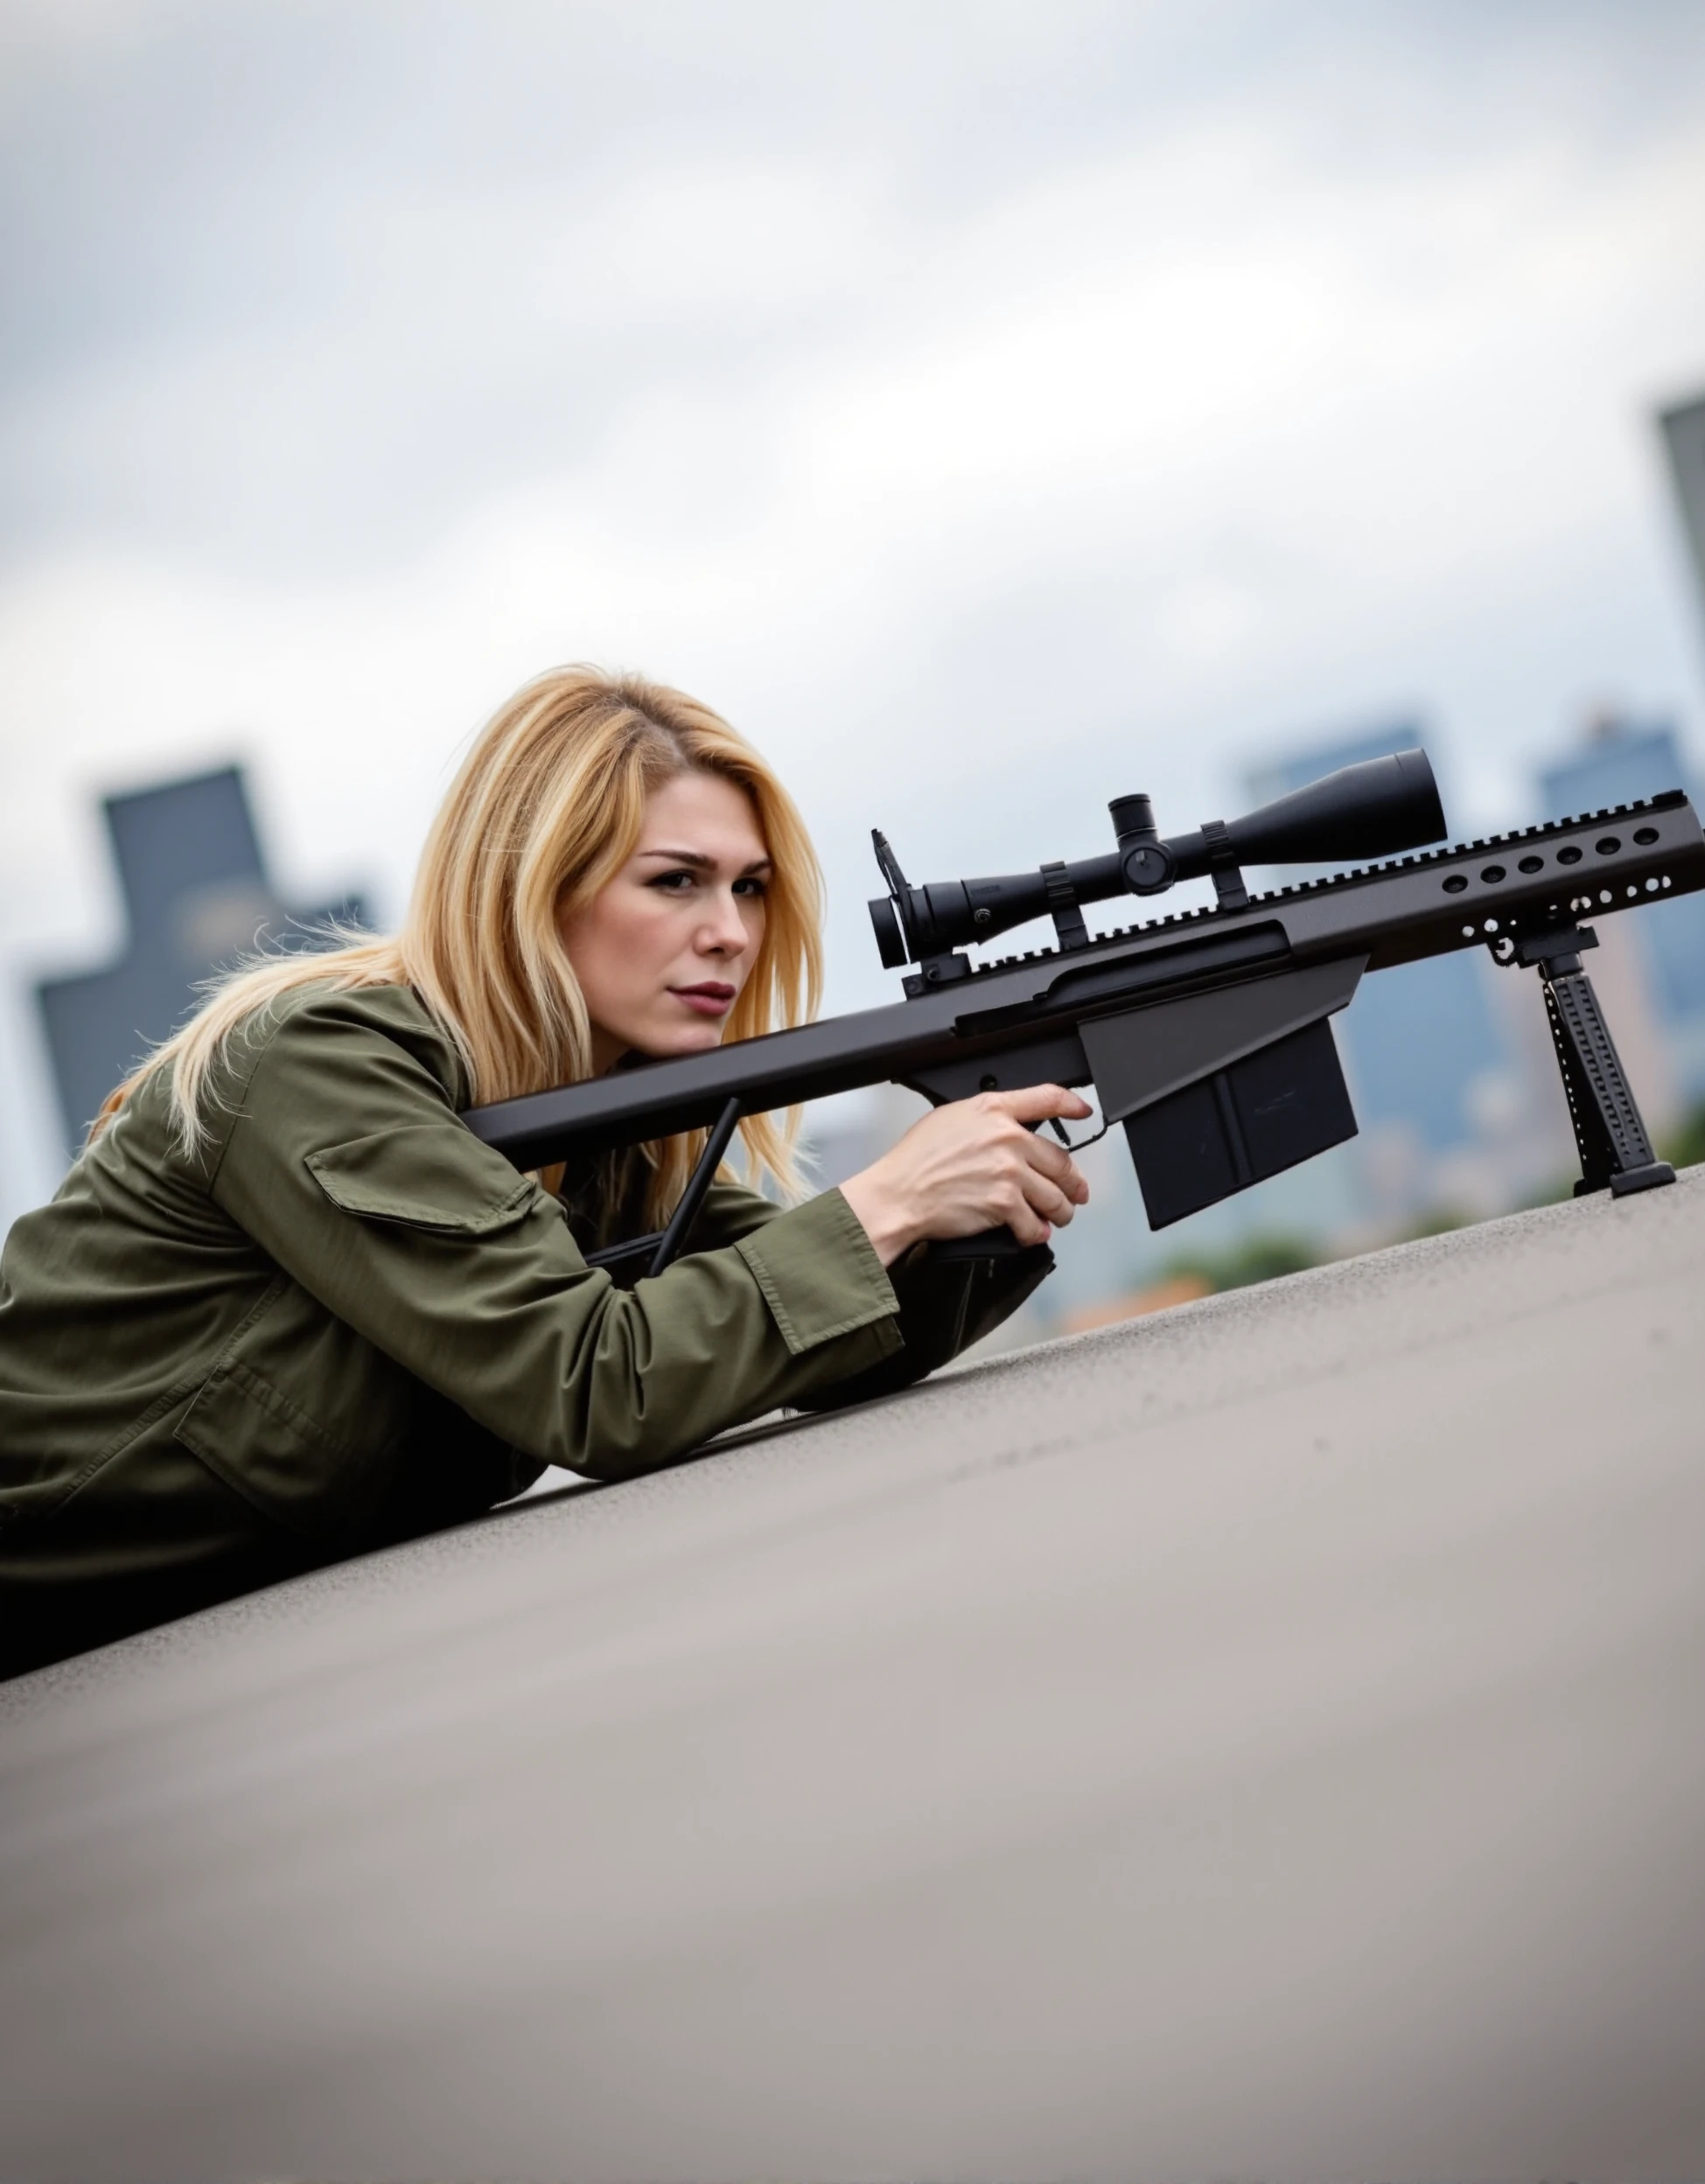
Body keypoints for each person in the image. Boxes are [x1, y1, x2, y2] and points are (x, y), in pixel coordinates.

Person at [0, 669, 1089, 1679]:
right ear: (535, 889)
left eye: (752, 889)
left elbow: (810, 1344)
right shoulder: (317, 1060)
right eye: (677, 882)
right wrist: (889, 1199)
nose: (731, 934)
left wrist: (989, 1199)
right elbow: (602, 1385)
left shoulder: (605, 1130)